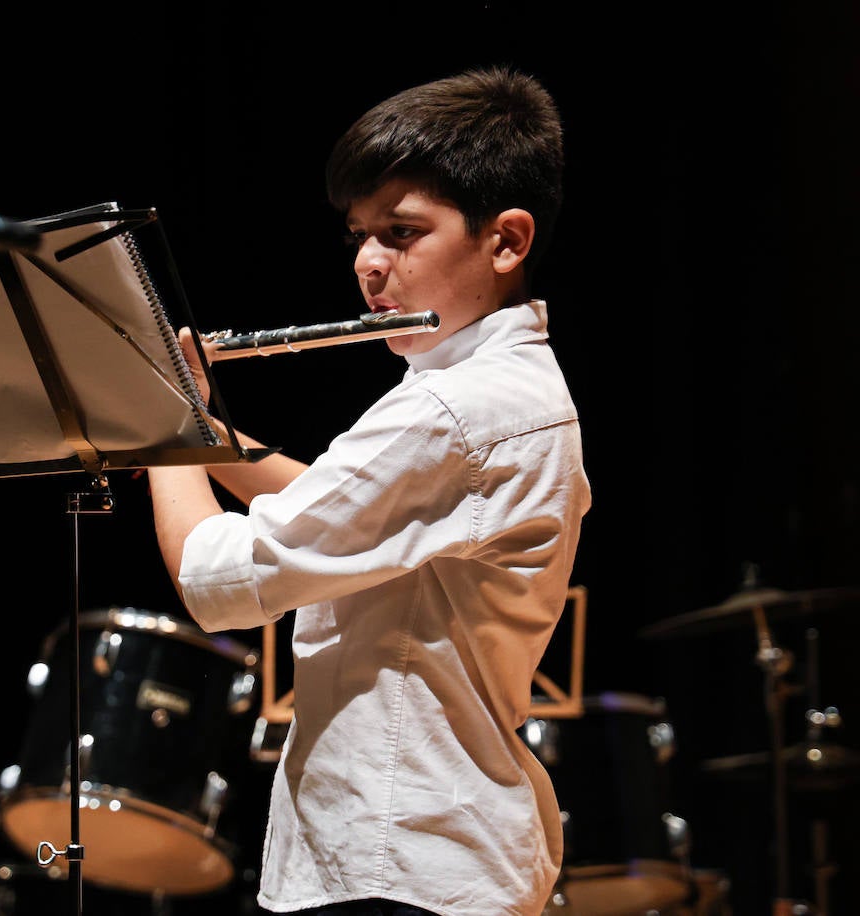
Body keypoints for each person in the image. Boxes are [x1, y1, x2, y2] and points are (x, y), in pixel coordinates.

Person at [147, 64, 590, 916]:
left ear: (505, 242)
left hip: (402, 862)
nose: (368, 264)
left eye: (401, 233)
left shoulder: (455, 407)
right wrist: (198, 428)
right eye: (358, 234)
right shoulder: (505, 387)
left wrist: (154, 430)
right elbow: (339, 513)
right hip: (433, 855)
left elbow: (216, 578)